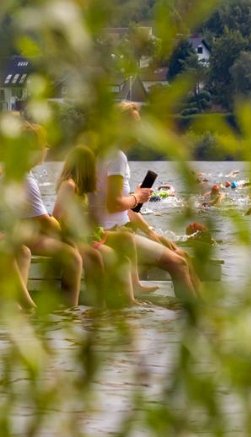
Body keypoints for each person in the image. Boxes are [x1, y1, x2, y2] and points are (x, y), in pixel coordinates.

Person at [94, 101, 198, 300]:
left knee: (181, 254)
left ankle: (199, 308)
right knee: (179, 263)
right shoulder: (116, 157)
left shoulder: (108, 153)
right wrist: (137, 197)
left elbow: (122, 208)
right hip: (114, 235)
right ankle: (193, 315)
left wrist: (151, 232)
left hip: (117, 230)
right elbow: (114, 203)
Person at [53, 145, 139, 306]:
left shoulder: (80, 189)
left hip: (81, 235)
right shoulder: (69, 185)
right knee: (99, 257)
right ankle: (100, 303)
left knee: (124, 245)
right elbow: (57, 217)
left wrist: (94, 232)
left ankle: (126, 300)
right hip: (69, 237)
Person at [14, 123, 83, 307]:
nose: (46, 150)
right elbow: (45, 222)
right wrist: (66, 232)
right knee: (73, 256)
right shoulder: (27, 181)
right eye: (44, 145)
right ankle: (70, 311)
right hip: (16, 236)